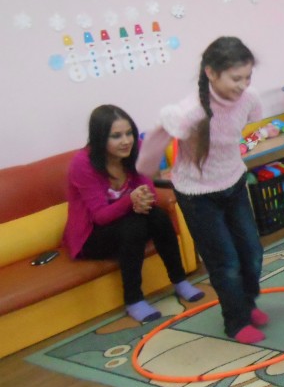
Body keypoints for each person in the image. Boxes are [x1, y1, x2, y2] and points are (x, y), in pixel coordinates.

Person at [138, 37, 266, 343]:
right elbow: (155, 141)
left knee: (252, 252)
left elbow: (249, 122)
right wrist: (145, 174)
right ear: (211, 72)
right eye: (235, 78)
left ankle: (247, 304)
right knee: (226, 262)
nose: (243, 85)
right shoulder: (189, 112)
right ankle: (236, 322)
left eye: (247, 77)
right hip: (198, 195)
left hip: (233, 182)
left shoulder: (249, 99)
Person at [64, 105, 202, 324]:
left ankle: (179, 280)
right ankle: (133, 300)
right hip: (91, 235)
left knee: (158, 216)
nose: (126, 141)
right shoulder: (83, 164)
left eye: (129, 133)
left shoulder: (136, 148)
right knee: (133, 226)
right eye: (116, 136)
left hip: (128, 221)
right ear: (100, 138)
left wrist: (144, 199)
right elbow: (100, 216)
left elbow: (150, 193)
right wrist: (131, 200)